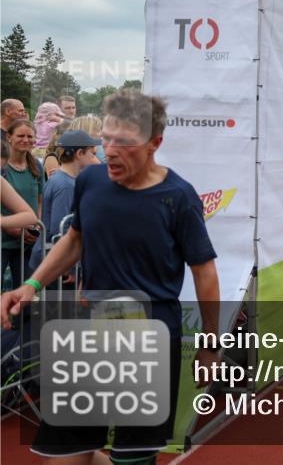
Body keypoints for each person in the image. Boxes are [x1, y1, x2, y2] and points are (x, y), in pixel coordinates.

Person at [0, 89, 221, 464]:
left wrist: (210, 346)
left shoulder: (178, 197)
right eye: (107, 138)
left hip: (150, 343)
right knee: (66, 455)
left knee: (130, 458)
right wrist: (31, 284)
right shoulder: (92, 182)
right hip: (91, 334)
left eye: (125, 142)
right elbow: (74, 239)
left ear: (155, 143)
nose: (112, 150)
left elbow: (205, 273)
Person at [30, 129, 101, 279]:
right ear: (79, 154)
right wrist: (71, 267)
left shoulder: (64, 180)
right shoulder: (65, 185)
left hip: (50, 259)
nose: (94, 158)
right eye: (91, 154)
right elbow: (60, 230)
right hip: (54, 263)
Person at [1, 119, 44, 287]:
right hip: (4, 240)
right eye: (20, 135)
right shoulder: (2, 168)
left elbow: (40, 201)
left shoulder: (36, 167)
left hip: (27, 242)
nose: (26, 140)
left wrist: (36, 228)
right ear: (9, 137)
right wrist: (12, 228)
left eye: (30, 136)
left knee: (26, 291)